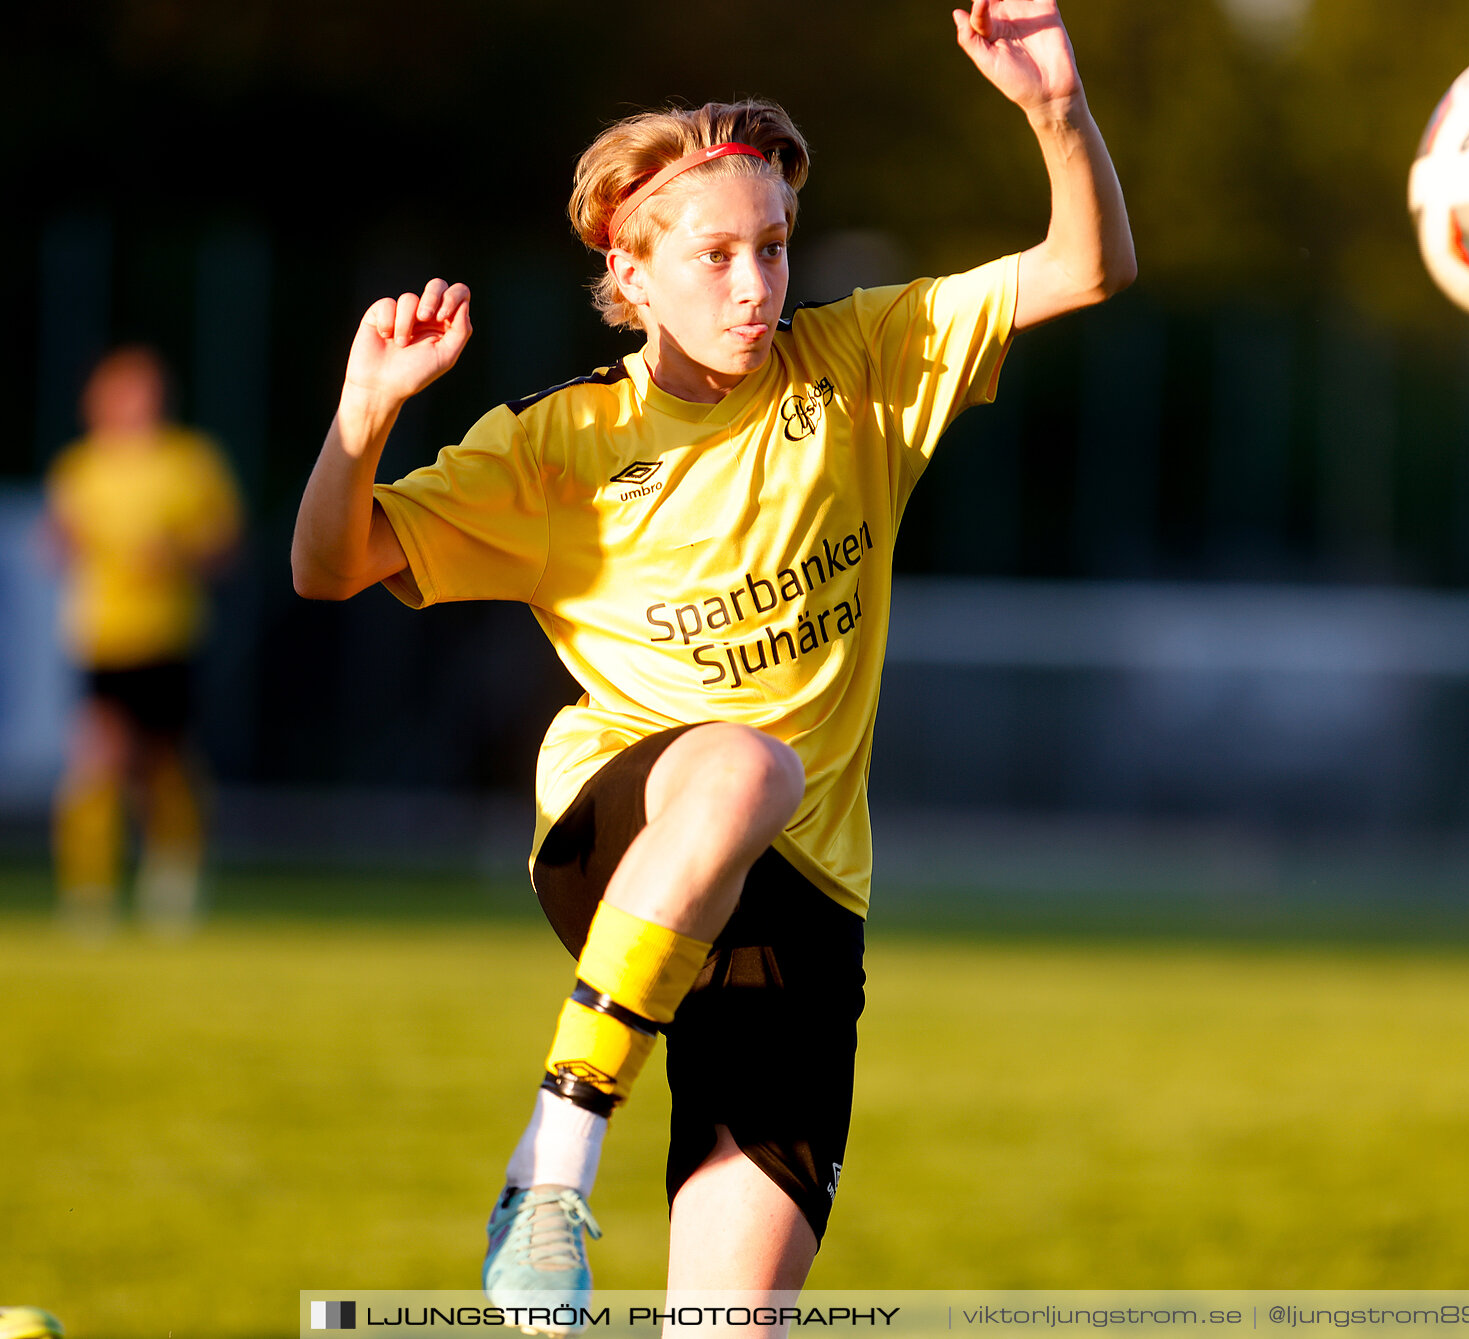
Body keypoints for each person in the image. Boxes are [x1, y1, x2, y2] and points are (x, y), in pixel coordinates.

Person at [291, 0, 1132, 1323]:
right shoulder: (560, 445)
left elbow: (1085, 267)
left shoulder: (859, 366)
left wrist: (1051, 110)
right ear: (630, 275)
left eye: (777, 247)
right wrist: (361, 420)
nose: (758, 284)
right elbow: (327, 565)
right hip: (623, 835)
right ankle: (552, 1168)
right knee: (746, 764)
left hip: (803, 917)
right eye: (719, 253)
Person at [45, 345, 242, 939]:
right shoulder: (81, 467)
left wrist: (175, 554)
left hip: (168, 636)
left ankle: (172, 880)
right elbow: (55, 540)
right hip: (102, 637)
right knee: (96, 761)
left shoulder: (190, 460)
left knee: (164, 765)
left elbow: (226, 547)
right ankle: (88, 890)